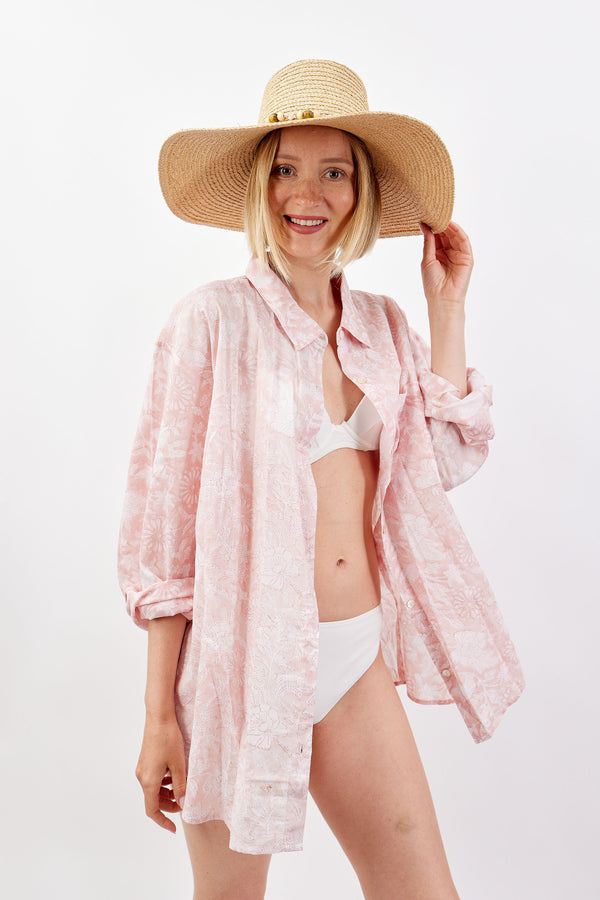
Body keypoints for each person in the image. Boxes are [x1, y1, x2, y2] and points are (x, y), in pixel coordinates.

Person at [118, 59, 524, 900]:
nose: (308, 193)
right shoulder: (212, 321)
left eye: (333, 170)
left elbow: (439, 466)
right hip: (235, 670)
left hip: (352, 660)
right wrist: (160, 715)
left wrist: (447, 310)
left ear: (362, 189)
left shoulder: (382, 325)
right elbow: (163, 539)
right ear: (259, 186)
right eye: (286, 169)